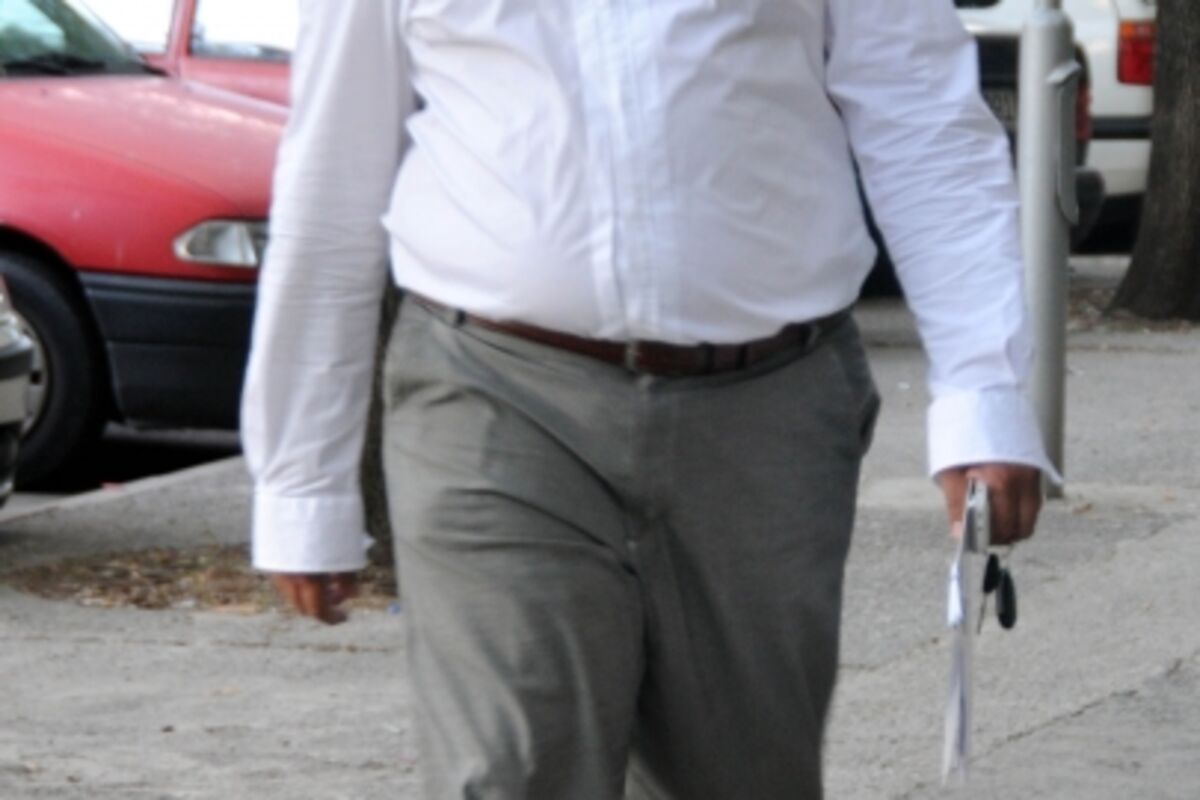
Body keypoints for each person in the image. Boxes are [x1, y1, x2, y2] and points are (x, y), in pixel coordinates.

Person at [242, 1, 1053, 797]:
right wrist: (303, 480)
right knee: (515, 765)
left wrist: (983, 391)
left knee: (744, 774)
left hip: (767, 408)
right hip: (495, 396)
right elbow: (333, 177)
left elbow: (921, 115)